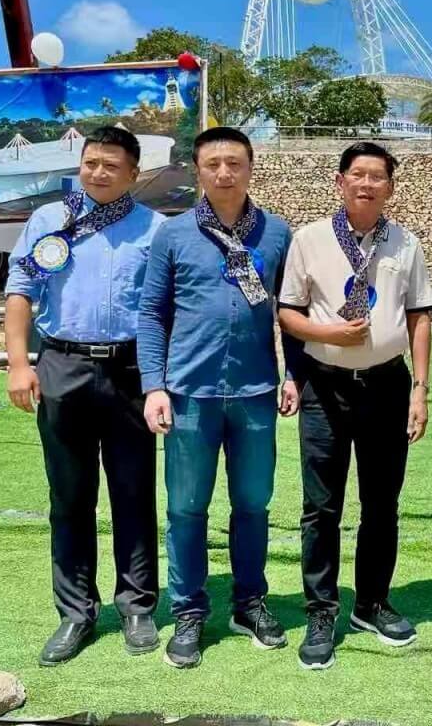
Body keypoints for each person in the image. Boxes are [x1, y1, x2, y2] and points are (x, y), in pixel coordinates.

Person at [4, 126, 166, 666]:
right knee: (70, 497)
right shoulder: (49, 220)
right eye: (91, 162)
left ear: (133, 174)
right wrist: (19, 364)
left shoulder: (155, 229)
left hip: (130, 371)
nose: (98, 172)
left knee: (133, 492)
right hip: (62, 366)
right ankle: (76, 612)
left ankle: (137, 606)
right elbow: (20, 291)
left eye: (111, 165)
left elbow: (166, 307)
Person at [136, 126, 297, 669]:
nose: (224, 173)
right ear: (198, 170)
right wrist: (153, 385)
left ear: (251, 167)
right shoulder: (174, 234)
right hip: (189, 394)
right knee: (186, 508)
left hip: (256, 392)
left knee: (253, 504)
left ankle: (249, 603)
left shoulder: (277, 233)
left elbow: (291, 312)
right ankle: (188, 611)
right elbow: (152, 313)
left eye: (235, 163)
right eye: (213, 164)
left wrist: (293, 374)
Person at [277, 141, 432, 671]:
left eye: (378, 176)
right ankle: (321, 611)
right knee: (321, 506)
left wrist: (420, 390)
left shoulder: (405, 243)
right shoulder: (309, 240)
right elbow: (288, 313)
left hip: (388, 386)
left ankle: (371, 603)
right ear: (340, 181)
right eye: (358, 174)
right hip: (326, 387)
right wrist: (329, 334)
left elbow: (420, 316)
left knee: (381, 502)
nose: (367, 184)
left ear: (390, 186)